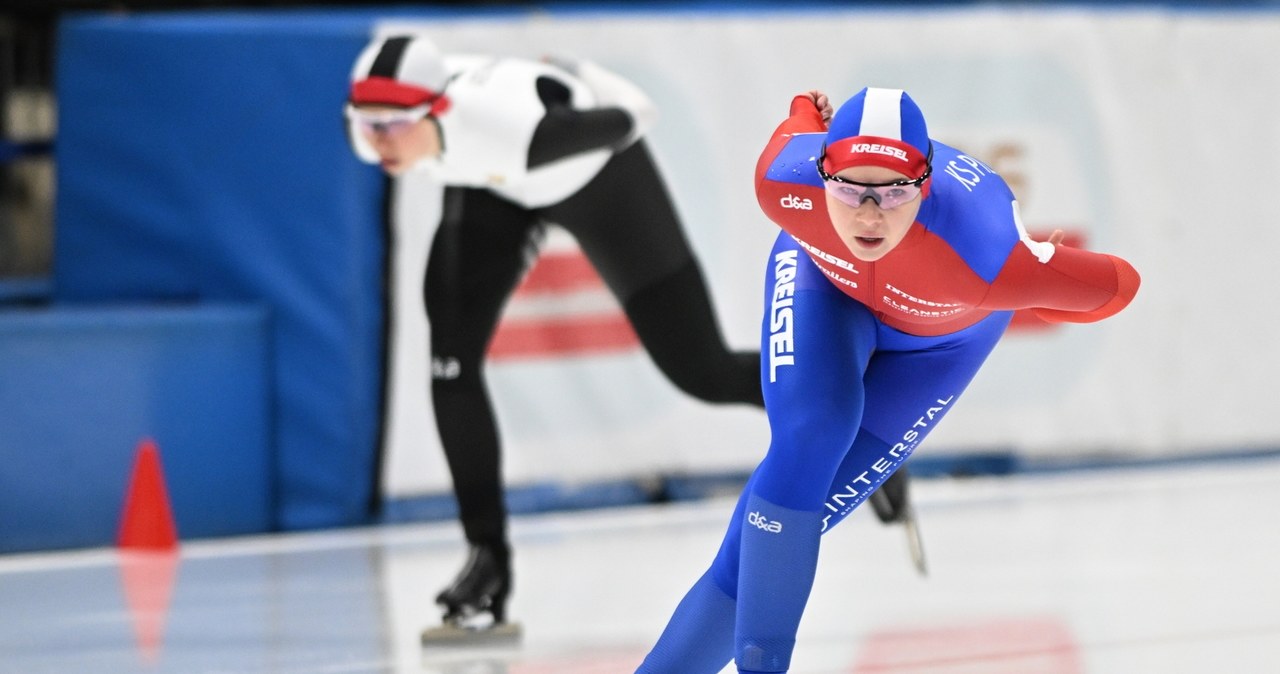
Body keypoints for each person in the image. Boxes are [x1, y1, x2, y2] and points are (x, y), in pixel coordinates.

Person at [344, 35, 917, 641]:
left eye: (394, 124)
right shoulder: (396, 127)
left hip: (597, 179)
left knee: (698, 368)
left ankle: (856, 420)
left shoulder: (511, 128)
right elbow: (394, 114)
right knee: (450, 367)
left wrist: (577, 77)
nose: (378, 139)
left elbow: (632, 115)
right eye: (368, 122)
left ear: (438, 110)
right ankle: (486, 557)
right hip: (493, 185)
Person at [635, 86, 1140, 673]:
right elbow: (798, 126)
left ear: (923, 185)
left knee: (764, 544)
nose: (869, 214)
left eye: (894, 191)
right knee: (811, 437)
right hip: (823, 287)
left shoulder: (987, 256)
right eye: (849, 188)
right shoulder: (782, 184)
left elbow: (1120, 285)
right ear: (821, 171)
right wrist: (805, 110)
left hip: (938, 348)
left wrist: (1037, 294)